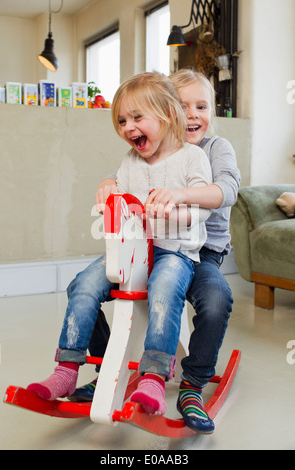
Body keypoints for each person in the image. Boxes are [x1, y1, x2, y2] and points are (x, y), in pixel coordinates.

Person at [27, 72, 213, 420]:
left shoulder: (192, 158)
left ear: (168, 115)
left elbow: (200, 212)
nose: (128, 128)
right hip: (132, 251)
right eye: (122, 121)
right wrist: (106, 189)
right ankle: (67, 369)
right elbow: (117, 192)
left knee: (165, 288)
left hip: (174, 252)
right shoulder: (131, 160)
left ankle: (154, 376)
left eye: (137, 118)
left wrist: (174, 209)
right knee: (82, 285)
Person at [72, 69, 241, 435]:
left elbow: (224, 190)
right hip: (158, 247)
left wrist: (179, 196)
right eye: (184, 106)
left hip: (203, 251)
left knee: (216, 299)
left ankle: (193, 384)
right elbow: (126, 181)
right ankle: (107, 367)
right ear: (167, 112)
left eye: (202, 106)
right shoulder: (149, 151)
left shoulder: (213, 150)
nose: (192, 114)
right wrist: (106, 183)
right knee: (88, 286)